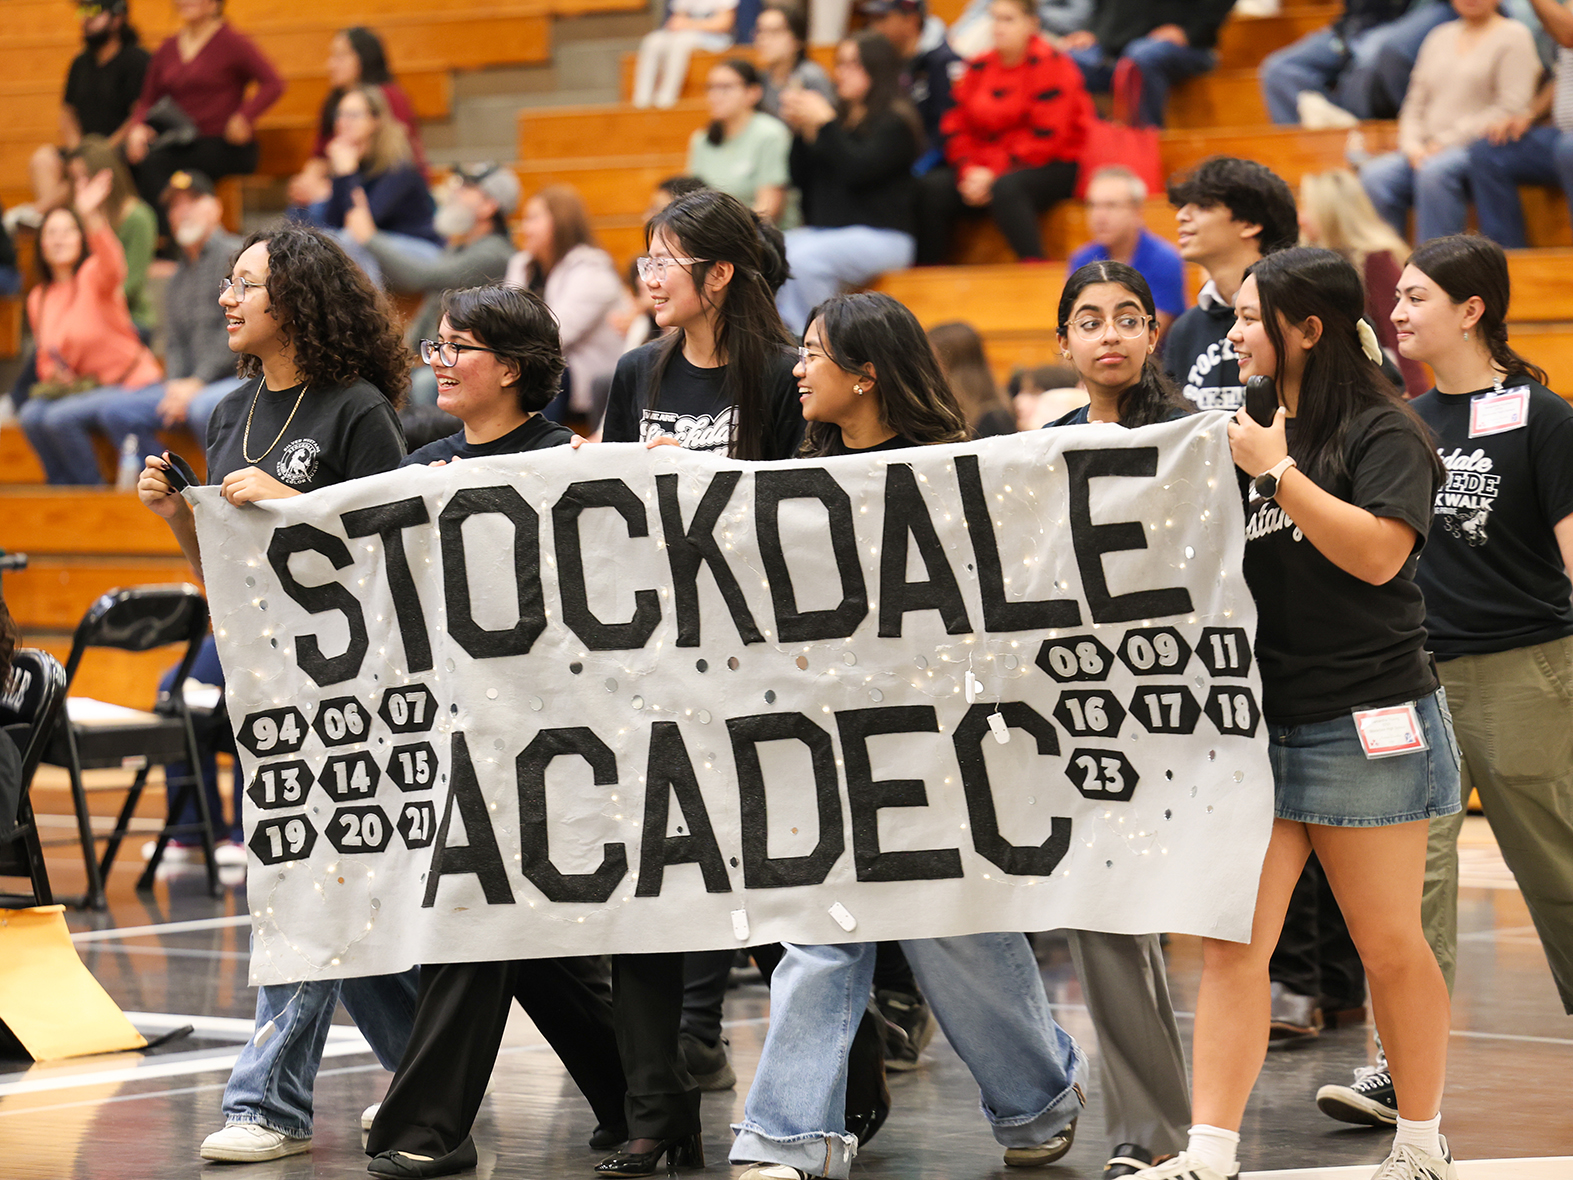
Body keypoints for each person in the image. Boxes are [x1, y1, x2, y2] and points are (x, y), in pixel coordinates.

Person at [731, 290, 1089, 1180]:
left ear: (867, 375)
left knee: (957, 934)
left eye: (814, 352)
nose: (797, 366)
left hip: (941, 751)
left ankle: (1038, 1102)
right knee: (821, 933)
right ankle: (781, 1137)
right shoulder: (794, 476)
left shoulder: (957, 472)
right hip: (824, 748)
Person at [1131, 246, 1458, 1180]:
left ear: (1305, 330)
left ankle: (1421, 1142)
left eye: (1246, 317)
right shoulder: (1243, 432)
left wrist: (1277, 476)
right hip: (1256, 730)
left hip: (1367, 719)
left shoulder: (1382, 432)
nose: (1229, 333)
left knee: (1388, 945)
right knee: (1234, 946)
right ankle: (1208, 1150)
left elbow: (1378, 558)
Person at [134, 224, 416, 1163]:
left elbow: (391, 558)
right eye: (227, 281)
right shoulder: (226, 411)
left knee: (307, 883)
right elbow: (225, 572)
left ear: (292, 300)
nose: (226, 297)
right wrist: (187, 516)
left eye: (245, 283)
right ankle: (429, 1070)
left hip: (355, 685)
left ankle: (268, 1104)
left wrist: (291, 508)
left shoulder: (357, 411)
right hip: (268, 681)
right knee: (324, 885)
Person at [363, 286, 631, 1179]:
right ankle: (644, 1104)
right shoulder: (426, 462)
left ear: (510, 369)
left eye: (456, 347)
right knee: (531, 939)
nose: (436, 362)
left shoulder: (573, 461)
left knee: (480, 919)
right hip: (461, 738)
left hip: (562, 742)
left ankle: (426, 1128)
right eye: (433, 347)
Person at [1311, 234, 1573, 1130]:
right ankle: (1397, 1067)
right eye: (1397, 300)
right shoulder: (1401, 420)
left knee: (1557, 864)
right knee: (1411, 877)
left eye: (1416, 298)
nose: (1397, 313)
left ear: (1471, 310)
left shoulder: (1544, 418)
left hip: (1526, 669)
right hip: (1415, 675)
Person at [593, 189, 803, 1177]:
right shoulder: (638, 369)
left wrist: (704, 484)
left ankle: (841, 1067)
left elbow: (811, 517)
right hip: (657, 660)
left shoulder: (780, 371)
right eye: (643, 258)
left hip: (760, 665)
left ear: (718, 275)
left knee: (766, 881)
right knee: (654, 873)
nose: (648, 274)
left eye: (665, 259)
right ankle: (658, 1098)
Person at [1038, 260, 1199, 1177]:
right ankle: (1152, 1135)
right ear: (1063, 340)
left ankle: (1193, 1132)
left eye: (1127, 318)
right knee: (1105, 918)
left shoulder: (1192, 438)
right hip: (1084, 713)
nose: (1109, 334)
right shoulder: (1040, 446)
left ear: (1153, 332)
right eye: (1089, 319)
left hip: (1189, 712)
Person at [915, 0, 1092, 265]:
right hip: (985, 169)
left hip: (1053, 163)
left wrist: (993, 171)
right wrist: (969, 170)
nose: (998, 27)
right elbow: (956, 127)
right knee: (930, 189)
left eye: (1008, 20)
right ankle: (929, 278)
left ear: (1032, 24)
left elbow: (1048, 137)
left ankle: (1035, 268)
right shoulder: (979, 66)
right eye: (994, 19)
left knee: (1007, 188)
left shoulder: (1054, 65)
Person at [95, 171, 243, 483]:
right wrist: (176, 384)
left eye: (193, 201)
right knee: (116, 410)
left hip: (238, 377)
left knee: (206, 408)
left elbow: (241, 329)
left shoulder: (237, 257)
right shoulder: (176, 277)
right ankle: (177, 486)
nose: (183, 211)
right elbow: (174, 343)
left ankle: (226, 496)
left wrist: (196, 383)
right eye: (175, 206)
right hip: (191, 385)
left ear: (216, 208)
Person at [18, 169, 162, 486]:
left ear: (81, 238)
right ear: (41, 243)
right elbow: (45, 356)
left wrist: (90, 215)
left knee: (58, 417)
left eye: (68, 231)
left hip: (130, 384)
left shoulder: (94, 276)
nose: (59, 239)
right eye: (51, 233)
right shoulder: (40, 298)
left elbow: (113, 261)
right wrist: (52, 374)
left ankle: (90, 490)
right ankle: (62, 488)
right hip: (83, 390)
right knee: (30, 414)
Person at [774, 31, 922, 336]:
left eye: (853, 64)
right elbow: (799, 179)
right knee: (770, 251)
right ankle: (783, 337)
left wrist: (825, 124)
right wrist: (802, 132)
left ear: (876, 69)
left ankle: (823, 341)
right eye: (839, 64)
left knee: (804, 260)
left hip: (884, 236)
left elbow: (858, 169)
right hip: (829, 234)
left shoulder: (896, 123)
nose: (841, 72)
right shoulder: (836, 125)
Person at [1359, 0, 1538, 244]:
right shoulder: (1438, 36)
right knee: (1375, 175)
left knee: (1435, 172)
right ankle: (1386, 271)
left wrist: (1443, 143)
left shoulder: (1515, 35)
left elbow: (1510, 107)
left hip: (1477, 147)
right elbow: (1414, 103)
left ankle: (1434, 271)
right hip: (1426, 149)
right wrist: (1412, 145)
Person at [348, 163, 521, 407]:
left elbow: (421, 276)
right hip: (442, 357)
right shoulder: (459, 248)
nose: (454, 193)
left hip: (469, 364)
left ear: (489, 205)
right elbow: (430, 305)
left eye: (466, 188)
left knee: (421, 385)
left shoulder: (495, 254)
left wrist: (369, 238)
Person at [1161, 156, 1299, 413]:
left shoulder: (1307, 311)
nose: (1181, 216)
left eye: (1202, 206)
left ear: (1249, 223)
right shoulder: (1185, 329)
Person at [123, 0, 284, 217]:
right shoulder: (168, 47)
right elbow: (146, 101)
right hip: (180, 141)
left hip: (221, 143)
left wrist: (244, 117)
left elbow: (273, 83)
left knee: (157, 164)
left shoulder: (232, 42)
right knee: (134, 160)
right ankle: (164, 237)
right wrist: (137, 128)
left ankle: (170, 237)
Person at [12, 0, 149, 234]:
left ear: (117, 18)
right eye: (83, 11)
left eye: (94, 11)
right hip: (84, 149)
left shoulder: (137, 60)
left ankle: (38, 213)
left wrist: (101, 151)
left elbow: (139, 112)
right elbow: (67, 113)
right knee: (43, 159)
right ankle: (56, 228)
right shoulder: (80, 63)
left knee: (84, 167)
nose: (85, 18)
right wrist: (79, 149)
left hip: (119, 151)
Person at [1298, 169, 1427, 397]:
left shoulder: (1375, 259)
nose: (1301, 218)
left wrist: (1414, 396)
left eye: (1307, 208)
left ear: (1330, 213)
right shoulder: (1307, 261)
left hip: (1377, 385)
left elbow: (1399, 327)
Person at [503, 186, 626, 424]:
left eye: (533, 219)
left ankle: (535, 451)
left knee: (539, 375)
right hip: (531, 363)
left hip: (584, 376)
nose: (524, 228)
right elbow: (501, 321)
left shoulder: (593, 269)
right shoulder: (522, 264)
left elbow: (556, 335)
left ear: (561, 221)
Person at [286, 27, 428, 223]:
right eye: (341, 115)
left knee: (335, 226)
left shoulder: (389, 98)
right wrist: (307, 183)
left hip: (378, 188)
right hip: (348, 181)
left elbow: (391, 161)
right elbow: (320, 156)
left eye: (340, 56)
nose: (331, 64)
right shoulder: (333, 100)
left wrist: (330, 188)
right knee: (298, 213)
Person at [1466, 0, 1573, 250]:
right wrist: (1529, 114)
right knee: (1488, 153)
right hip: (1559, 136)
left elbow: (1569, 35)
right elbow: (1563, 75)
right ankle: (1506, 267)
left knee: (1569, 149)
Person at [317, 85, 440, 284]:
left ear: (375, 120)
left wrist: (347, 174)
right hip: (377, 248)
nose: (343, 122)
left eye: (353, 115)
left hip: (420, 252)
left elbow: (363, 226)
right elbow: (332, 222)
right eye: (339, 115)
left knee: (353, 242)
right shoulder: (351, 161)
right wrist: (342, 175)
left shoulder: (399, 166)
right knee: (324, 239)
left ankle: (368, 314)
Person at [1061, 0, 1234, 129]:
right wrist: (1092, 30)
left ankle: (1148, 143)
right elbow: (1100, 5)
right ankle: (1091, 143)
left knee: (1142, 57)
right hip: (1113, 47)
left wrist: (1191, 32)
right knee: (1067, 61)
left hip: (1185, 46)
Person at [1259, 1, 1422, 126]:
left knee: (1368, 59)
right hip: (1355, 26)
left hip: (1407, 19)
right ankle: (1302, 158)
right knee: (1279, 70)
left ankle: (1352, 140)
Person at [1068, 166, 1184, 334]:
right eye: (1092, 205)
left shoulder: (1164, 259)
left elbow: (1150, 332)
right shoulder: (1082, 260)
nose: (1099, 216)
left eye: (1111, 205)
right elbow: (1073, 325)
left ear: (1137, 211)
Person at [68, 136, 157, 334]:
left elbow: (131, 282)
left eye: (86, 177)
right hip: (86, 314)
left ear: (105, 175)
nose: (79, 186)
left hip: (130, 317)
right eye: (75, 179)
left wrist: (87, 308)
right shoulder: (78, 217)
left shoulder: (138, 217)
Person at [861, 0, 962, 174]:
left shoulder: (944, 63)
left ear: (911, 21)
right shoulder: (887, 60)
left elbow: (947, 129)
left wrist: (917, 169)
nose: (874, 27)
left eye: (882, 18)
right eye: (872, 19)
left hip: (931, 167)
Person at [686, 60, 792, 223]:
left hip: (762, 235)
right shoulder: (701, 140)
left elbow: (769, 209)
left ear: (753, 93)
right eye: (711, 87)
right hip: (716, 235)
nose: (715, 96)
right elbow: (693, 202)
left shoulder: (770, 134)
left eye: (725, 88)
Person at [633, 0, 739, 109]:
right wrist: (681, 25)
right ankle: (641, 100)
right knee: (653, 41)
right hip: (684, 32)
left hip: (714, 38)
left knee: (682, 41)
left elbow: (723, 23)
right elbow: (676, 20)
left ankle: (666, 99)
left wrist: (690, 24)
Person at [926, 320, 1016, 435]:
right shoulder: (945, 411)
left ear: (952, 363)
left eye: (932, 358)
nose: (927, 366)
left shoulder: (994, 418)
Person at [753, 3, 835, 117]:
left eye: (774, 31)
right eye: (760, 31)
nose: (763, 39)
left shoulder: (811, 76)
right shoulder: (761, 78)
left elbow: (827, 124)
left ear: (797, 40)